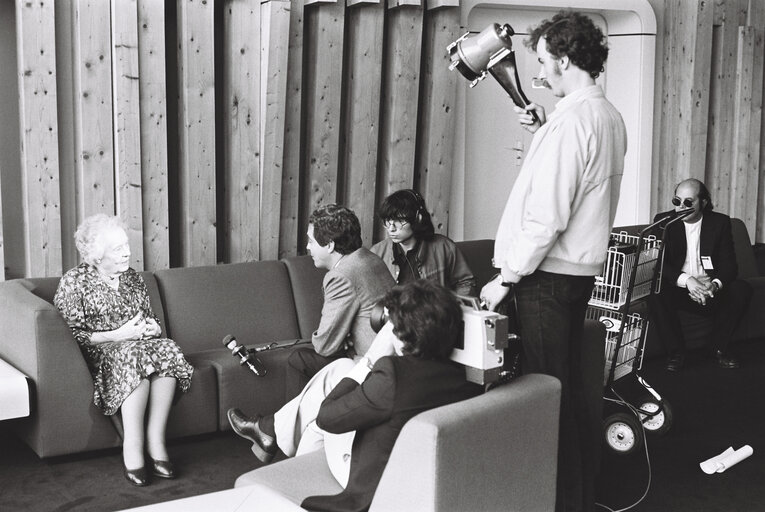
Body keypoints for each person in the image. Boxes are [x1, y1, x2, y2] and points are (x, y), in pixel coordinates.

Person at [479, 11, 627, 512]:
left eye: (543, 61)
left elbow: (546, 216)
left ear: (564, 59)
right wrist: (544, 130)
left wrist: (506, 278)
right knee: (568, 388)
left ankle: (558, 501)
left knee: (546, 395)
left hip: (545, 277)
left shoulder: (573, 123)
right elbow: (578, 187)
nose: (539, 73)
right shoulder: (604, 115)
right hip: (576, 274)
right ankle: (582, 494)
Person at [53, 214, 194, 487]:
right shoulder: (74, 282)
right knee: (131, 354)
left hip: (137, 347)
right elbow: (72, 336)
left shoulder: (132, 279)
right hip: (102, 353)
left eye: (126, 244)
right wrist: (119, 335)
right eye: (117, 248)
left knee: (167, 348)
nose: (127, 252)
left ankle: (156, 439)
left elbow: (148, 317)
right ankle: (133, 445)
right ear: (97, 255)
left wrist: (151, 328)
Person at [284, 204, 395, 397]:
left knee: (298, 360)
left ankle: (290, 426)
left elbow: (324, 345)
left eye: (311, 241)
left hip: (372, 366)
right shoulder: (371, 258)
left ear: (329, 245)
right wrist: (342, 337)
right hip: (395, 360)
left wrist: (339, 338)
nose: (307, 247)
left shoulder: (341, 276)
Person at [649, 178, 752, 371]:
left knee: (742, 289)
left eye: (688, 202)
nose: (681, 207)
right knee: (656, 293)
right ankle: (676, 353)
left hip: (709, 289)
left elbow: (730, 266)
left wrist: (713, 284)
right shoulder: (664, 222)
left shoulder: (719, 222)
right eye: (677, 201)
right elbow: (660, 263)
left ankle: (717, 348)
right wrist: (688, 281)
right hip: (680, 288)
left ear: (703, 202)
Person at [371, 188, 475, 296]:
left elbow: (466, 283)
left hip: (434, 311)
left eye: (400, 221)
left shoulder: (445, 247)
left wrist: (454, 308)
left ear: (418, 219)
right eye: (387, 222)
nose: (391, 229)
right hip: (393, 312)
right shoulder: (376, 253)